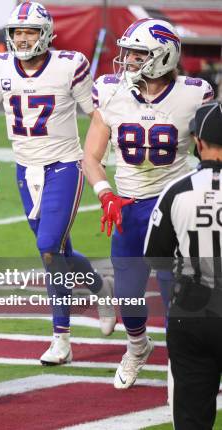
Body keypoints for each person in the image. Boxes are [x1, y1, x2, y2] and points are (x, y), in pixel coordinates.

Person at [0, 1, 115, 366]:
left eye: (29, 31)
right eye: (17, 32)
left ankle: (61, 339)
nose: (22, 38)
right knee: (60, 252)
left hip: (65, 164)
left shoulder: (69, 66)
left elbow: (94, 114)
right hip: (25, 169)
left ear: (46, 34)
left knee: (49, 247)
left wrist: (100, 157)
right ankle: (103, 289)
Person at [82, 19, 214, 389]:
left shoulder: (193, 94)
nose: (126, 61)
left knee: (179, 292)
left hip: (173, 205)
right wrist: (104, 193)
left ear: (163, 55)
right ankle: (137, 346)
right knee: (128, 294)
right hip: (127, 205)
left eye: (137, 54)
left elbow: (211, 150)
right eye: (127, 53)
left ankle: (182, 361)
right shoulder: (110, 92)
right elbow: (91, 157)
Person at [144, 101, 222, 429]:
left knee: (191, 418)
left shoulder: (176, 191)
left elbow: (155, 254)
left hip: (193, 314)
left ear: (198, 142)